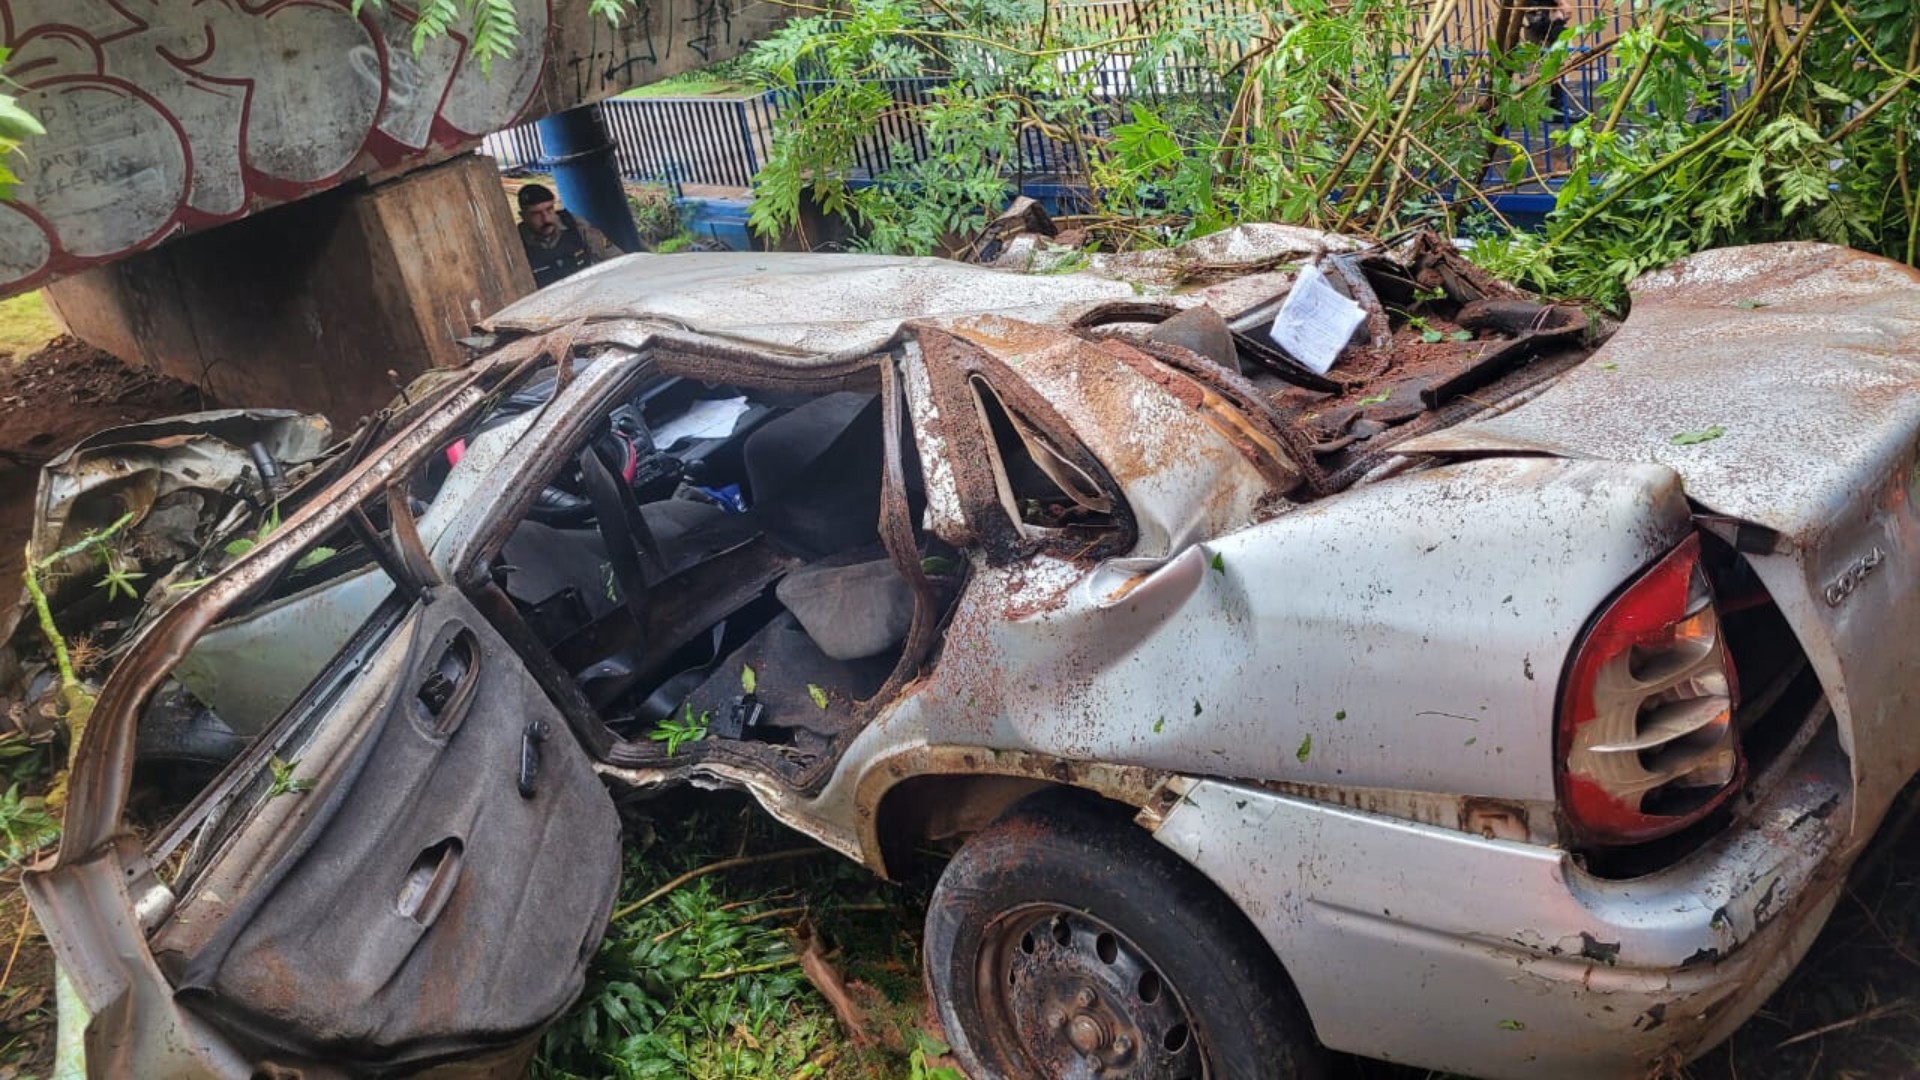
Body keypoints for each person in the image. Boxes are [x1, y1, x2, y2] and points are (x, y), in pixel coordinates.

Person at [516, 183, 625, 288]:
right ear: (523, 216)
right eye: (536, 214)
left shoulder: (576, 226)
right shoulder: (516, 244)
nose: (546, 219)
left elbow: (617, 259)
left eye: (549, 210)